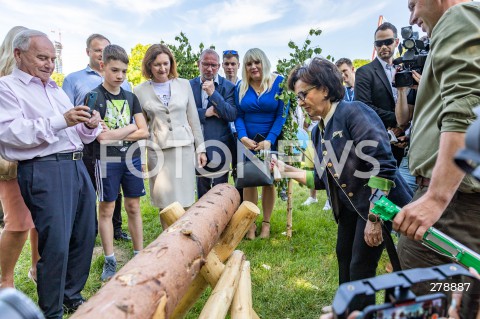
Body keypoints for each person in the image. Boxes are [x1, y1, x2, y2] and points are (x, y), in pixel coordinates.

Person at [273, 57, 412, 310]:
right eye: (298, 97)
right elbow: (322, 179)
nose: (300, 102)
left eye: (304, 94)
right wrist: (287, 170)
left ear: (325, 89)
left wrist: (374, 218)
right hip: (351, 208)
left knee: (361, 264)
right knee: (343, 254)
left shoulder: (354, 111)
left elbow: (383, 165)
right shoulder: (317, 131)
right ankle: (347, 307)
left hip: (376, 206)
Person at [0, 29, 101, 318]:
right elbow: (10, 132)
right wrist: (62, 120)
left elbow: (77, 133)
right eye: (41, 57)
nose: (49, 64)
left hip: (75, 163)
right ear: (18, 55)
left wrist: (89, 124)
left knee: (84, 233)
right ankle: (52, 310)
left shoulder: (55, 89)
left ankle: (72, 296)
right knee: (55, 242)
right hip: (44, 168)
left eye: (52, 59)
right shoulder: (7, 87)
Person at [394, 0, 480, 316]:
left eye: (414, 4)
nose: (412, 16)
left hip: (452, 206)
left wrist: (436, 197)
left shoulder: (459, 16)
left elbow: (468, 107)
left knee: (433, 299)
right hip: (456, 205)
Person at [87, 44, 148, 281]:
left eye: (123, 71)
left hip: (131, 158)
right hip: (106, 161)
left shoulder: (131, 97)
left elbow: (144, 132)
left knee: (133, 207)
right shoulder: (94, 96)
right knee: (107, 209)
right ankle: (110, 259)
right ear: (102, 66)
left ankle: (139, 254)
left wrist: (118, 133)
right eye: (114, 70)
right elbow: (100, 138)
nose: (120, 76)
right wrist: (131, 126)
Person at [63, 33, 132, 241]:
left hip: (115, 143)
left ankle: (116, 228)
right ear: (88, 52)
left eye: (106, 49)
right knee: (89, 189)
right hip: (87, 144)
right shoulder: (73, 79)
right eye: (97, 50)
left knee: (114, 188)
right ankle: (89, 232)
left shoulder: (124, 82)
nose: (102, 53)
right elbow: (65, 110)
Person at [135, 44, 206, 227]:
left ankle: (188, 241)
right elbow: (141, 127)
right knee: (165, 204)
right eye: (157, 64)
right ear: (149, 65)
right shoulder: (139, 91)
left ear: (171, 63)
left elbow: (194, 119)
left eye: (166, 63)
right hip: (157, 151)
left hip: (184, 148)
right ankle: (169, 242)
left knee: (187, 200)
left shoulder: (184, 84)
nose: (162, 68)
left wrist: (201, 149)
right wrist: (142, 157)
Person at [0, 25, 40, 288]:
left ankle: (37, 270)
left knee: (40, 220)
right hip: (11, 162)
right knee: (18, 223)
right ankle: (5, 280)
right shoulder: (5, 82)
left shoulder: (37, 80)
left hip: (38, 158)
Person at [234, 48, 288, 239]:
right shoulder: (240, 86)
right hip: (248, 141)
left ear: (264, 62)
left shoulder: (279, 83)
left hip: (269, 140)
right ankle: (250, 224)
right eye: (249, 64)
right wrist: (242, 137)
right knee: (249, 181)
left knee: (268, 181)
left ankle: (266, 223)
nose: (253, 67)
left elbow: (282, 115)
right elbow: (238, 115)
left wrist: (270, 140)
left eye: (257, 62)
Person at [355, 22, 404, 165]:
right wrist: (400, 121)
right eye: (379, 43)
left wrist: (405, 128)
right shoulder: (365, 72)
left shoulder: (404, 68)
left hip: (406, 141)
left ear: (396, 42)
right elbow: (364, 107)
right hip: (380, 141)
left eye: (388, 42)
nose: (383, 47)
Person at [190, 49, 236, 198]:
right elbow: (182, 114)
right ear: (198, 64)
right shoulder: (188, 86)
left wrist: (213, 94)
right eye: (206, 64)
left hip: (220, 145)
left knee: (219, 192)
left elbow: (231, 114)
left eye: (214, 65)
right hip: (196, 145)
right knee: (202, 188)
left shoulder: (228, 87)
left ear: (219, 66)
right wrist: (205, 113)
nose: (209, 69)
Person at [222, 49, 243, 201]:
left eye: (233, 64)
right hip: (223, 133)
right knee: (222, 171)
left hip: (240, 134)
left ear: (238, 65)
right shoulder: (219, 85)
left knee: (240, 172)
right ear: (222, 65)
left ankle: (240, 204)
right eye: (227, 64)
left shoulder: (244, 85)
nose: (230, 67)